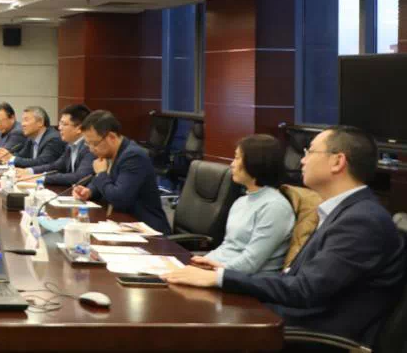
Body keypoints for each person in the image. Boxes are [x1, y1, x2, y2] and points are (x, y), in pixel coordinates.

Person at [163, 126, 406, 347]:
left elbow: (305, 289)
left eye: (310, 152)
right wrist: (223, 274)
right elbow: (297, 279)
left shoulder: (361, 221)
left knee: (186, 331)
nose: (302, 160)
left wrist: (221, 278)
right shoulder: (345, 212)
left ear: (337, 161)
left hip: (313, 337)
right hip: (293, 320)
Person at [191, 134, 295, 274]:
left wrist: (212, 270)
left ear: (255, 162)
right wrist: (200, 263)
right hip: (220, 272)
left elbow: (250, 263)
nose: (232, 164)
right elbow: (228, 247)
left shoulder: (275, 207)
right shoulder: (241, 201)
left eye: (237, 158)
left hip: (242, 280)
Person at [72, 110, 171, 234]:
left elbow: (119, 199)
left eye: (94, 143)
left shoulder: (133, 156)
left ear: (111, 137)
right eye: (88, 144)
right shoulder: (110, 153)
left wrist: (101, 174)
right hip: (121, 224)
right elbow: (110, 183)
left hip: (147, 231)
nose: (91, 149)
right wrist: (90, 191)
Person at [18, 104, 95, 186]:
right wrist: (29, 171)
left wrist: (42, 178)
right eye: (60, 123)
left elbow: (79, 177)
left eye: (64, 124)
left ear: (79, 129)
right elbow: (56, 166)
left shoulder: (90, 147)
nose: (59, 128)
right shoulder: (70, 145)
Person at [0, 106, 65, 170]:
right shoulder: (31, 139)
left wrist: (12, 158)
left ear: (40, 122)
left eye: (26, 120)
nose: (22, 124)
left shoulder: (53, 139)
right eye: (22, 120)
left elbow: (43, 162)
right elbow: (21, 156)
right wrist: (6, 157)